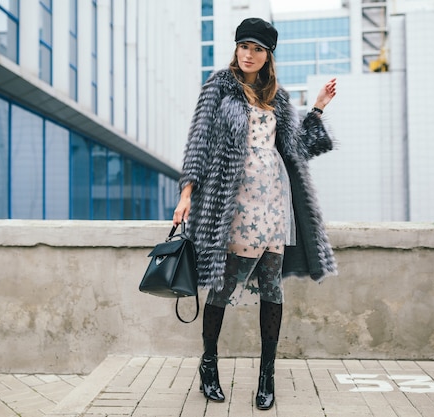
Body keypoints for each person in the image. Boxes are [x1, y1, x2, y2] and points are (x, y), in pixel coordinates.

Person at [172, 17, 338, 410]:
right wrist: (186, 194)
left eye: (257, 48)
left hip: (274, 201)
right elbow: (198, 141)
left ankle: (268, 376)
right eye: (243, 46)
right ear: (236, 49)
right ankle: (208, 363)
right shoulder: (218, 87)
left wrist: (317, 108)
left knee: (272, 286)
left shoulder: (277, 97)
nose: (249, 54)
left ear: (268, 55)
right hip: (235, 200)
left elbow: (297, 148)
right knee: (225, 286)